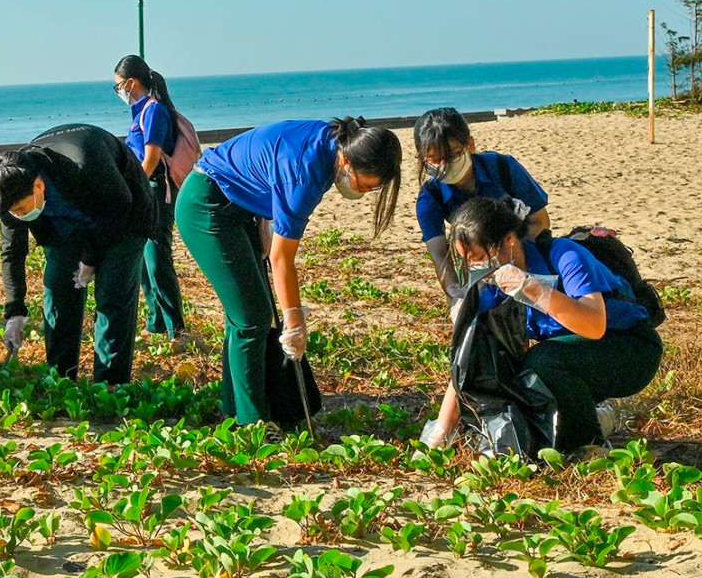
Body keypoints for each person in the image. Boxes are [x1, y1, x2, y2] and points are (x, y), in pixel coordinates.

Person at [176, 117, 401, 425]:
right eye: (363, 184)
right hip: (205, 205)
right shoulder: (305, 174)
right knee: (252, 317)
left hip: (239, 206)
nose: (362, 191)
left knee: (245, 312)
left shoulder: (332, 141)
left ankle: (235, 407)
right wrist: (294, 322)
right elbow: (282, 259)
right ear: (346, 160)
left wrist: (266, 219)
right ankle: (252, 423)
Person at [420, 196, 663, 453]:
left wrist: (534, 289)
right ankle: (600, 419)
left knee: (541, 362)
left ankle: (589, 446)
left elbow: (594, 325)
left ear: (509, 240)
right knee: (511, 377)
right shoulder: (492, 287)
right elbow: (467, 359)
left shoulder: (565, 256)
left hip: (631, 350)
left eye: (480, 256)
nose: (476, 267)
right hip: (577, 359)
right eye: (469, 261)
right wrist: (440, 432)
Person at [0, 124, 157, 385]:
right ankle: (61, 378)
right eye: (13, 212)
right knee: (58, 289)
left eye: (21, 209)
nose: (18, 216)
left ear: (38, 185)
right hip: (67, 228)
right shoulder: (8, 192)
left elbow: (119, 205)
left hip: (123, 216)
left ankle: (110, 385)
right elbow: (12, 250)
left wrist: (91, 258)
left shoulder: (83, 162)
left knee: (112, 298)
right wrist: (15, 310)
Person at [413, 108, 549, 305]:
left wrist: (507, 255)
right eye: (434, 159)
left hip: (525, 252)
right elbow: (439, 253)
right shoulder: (430, 197)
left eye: (452, 154)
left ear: (470, 145)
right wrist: (455, 293)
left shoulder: (504, 168)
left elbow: (540, 221)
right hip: (477, 265)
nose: (444, 165)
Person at [113, 55, 186, 340]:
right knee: (144, 258)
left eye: (118, 86)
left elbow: (151, 158)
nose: (118, 92)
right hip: (145, 188)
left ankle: (175, 327)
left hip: (155, 189)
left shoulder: (153, 110)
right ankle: (156, 322)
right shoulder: (140, 112)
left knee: (157, 257)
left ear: (131, 83)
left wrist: (134, 188)